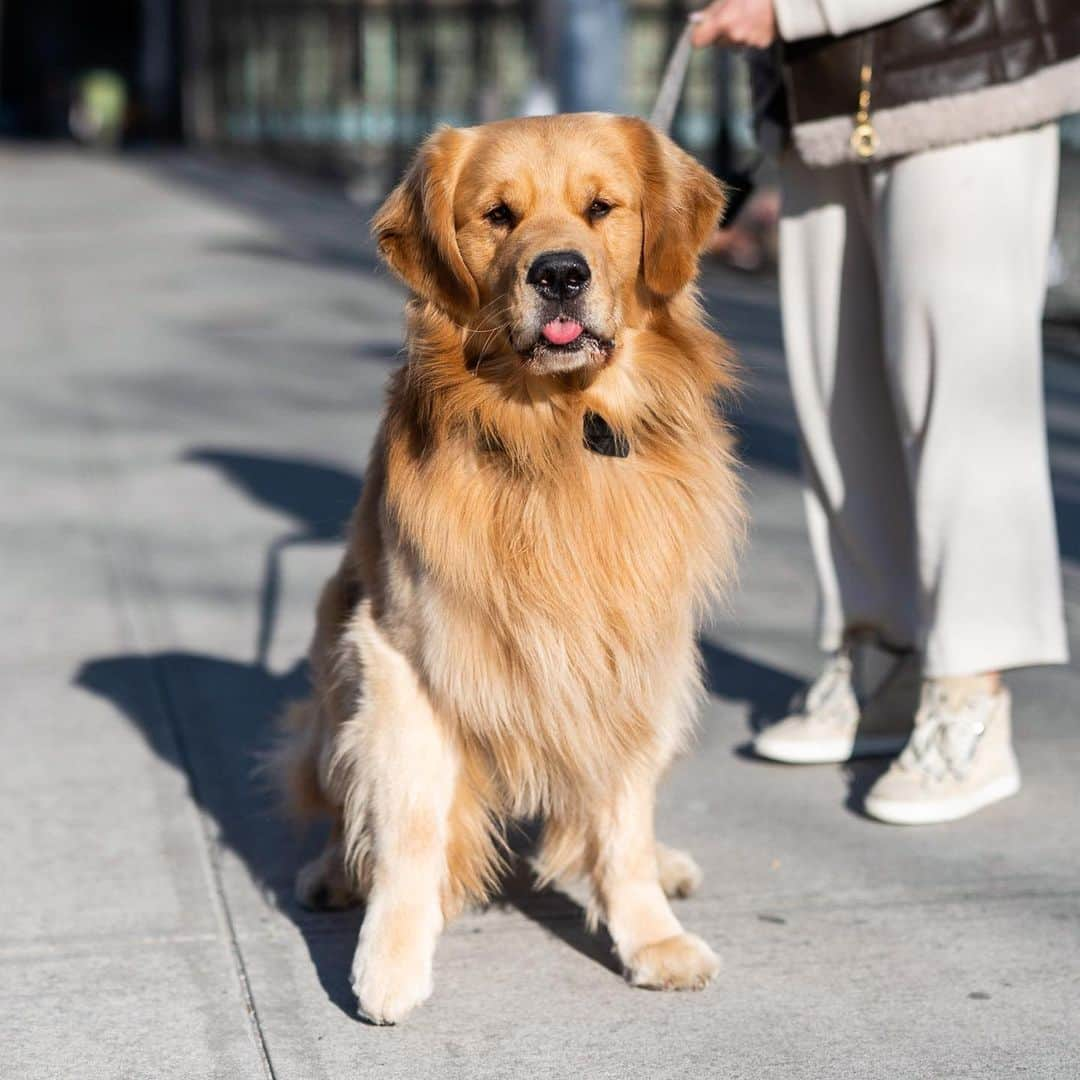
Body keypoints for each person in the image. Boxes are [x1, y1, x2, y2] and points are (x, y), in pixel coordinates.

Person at [691, 0, 1080, 823]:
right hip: (821, 88)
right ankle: (884, 659)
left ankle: (970, 691)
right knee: (839, 392)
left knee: (962, 391)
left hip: (963, 64)